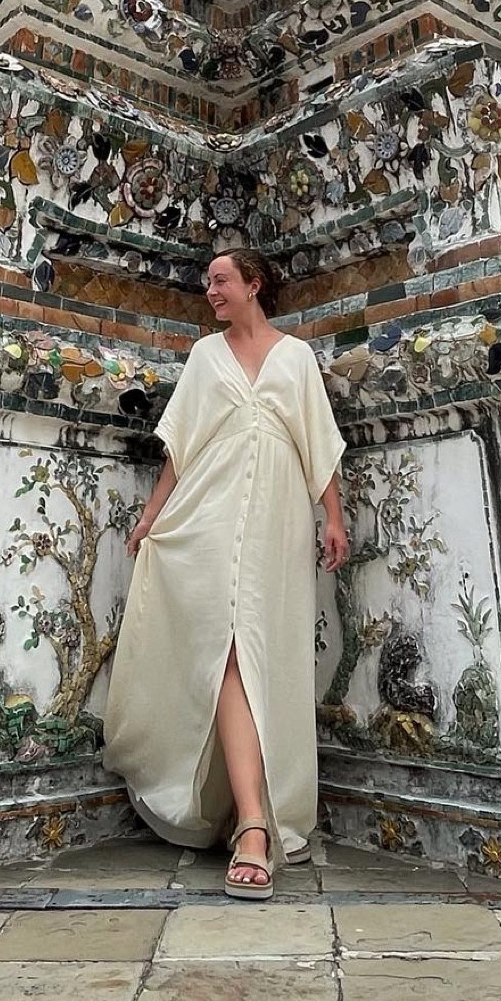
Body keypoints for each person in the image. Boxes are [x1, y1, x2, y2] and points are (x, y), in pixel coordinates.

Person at [102, 249, 349, 898]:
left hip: (276, 518)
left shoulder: (294, 358)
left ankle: (248, 812)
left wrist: (333, 519)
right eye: (206, 282)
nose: (208, 291)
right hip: (208, 509)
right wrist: (152, 517)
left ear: (253, 283)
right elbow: (180, 448)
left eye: (219, 280)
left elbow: (317, 443)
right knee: (228, 648)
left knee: (260, 654)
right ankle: (251, 825)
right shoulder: (205, 357)